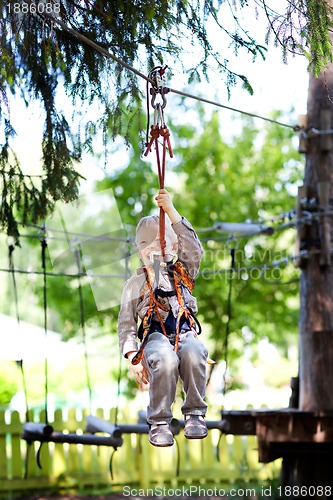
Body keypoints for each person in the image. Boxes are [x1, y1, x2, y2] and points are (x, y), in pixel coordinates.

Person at [118, 188, 208, 447]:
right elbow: (126, 324)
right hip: (154, 337)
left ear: (174, 246)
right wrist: (132, 357)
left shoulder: (183, 272)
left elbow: (195, 249)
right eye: (147, 245)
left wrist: (170, 210)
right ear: (139, 251)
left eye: (161, 243)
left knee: (194, 350)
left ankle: (194, 414)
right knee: (165, 359)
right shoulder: (135, 285)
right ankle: (159, 421)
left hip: (184, 331)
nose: (155, 249)